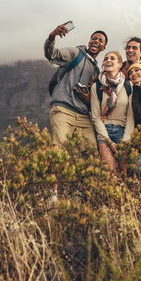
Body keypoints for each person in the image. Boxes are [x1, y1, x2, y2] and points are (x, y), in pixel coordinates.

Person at [44, 21, 107, 202]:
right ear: (89, 41)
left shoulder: (97, 70)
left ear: (103, 47)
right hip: (63, 109)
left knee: (93, 153)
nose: (96, 41)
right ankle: (53, 197)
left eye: (100, 40)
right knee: (58, 150)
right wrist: (52, 36)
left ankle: (81, 192)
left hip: (83, 115)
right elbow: (52, 54)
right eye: (94, 38)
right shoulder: (75, 53)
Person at [90, 51, 134, 176]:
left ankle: (124, 196)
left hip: (122, 132)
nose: (108, 61)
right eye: (106, 59)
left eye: (112, 58)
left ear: (119, 64)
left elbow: (131, 116)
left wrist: (126, 141)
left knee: (124, 173)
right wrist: (108, 141)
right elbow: (96, 117)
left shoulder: (128, 85)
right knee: (110, 172)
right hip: (104, 132)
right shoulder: (96, 87)